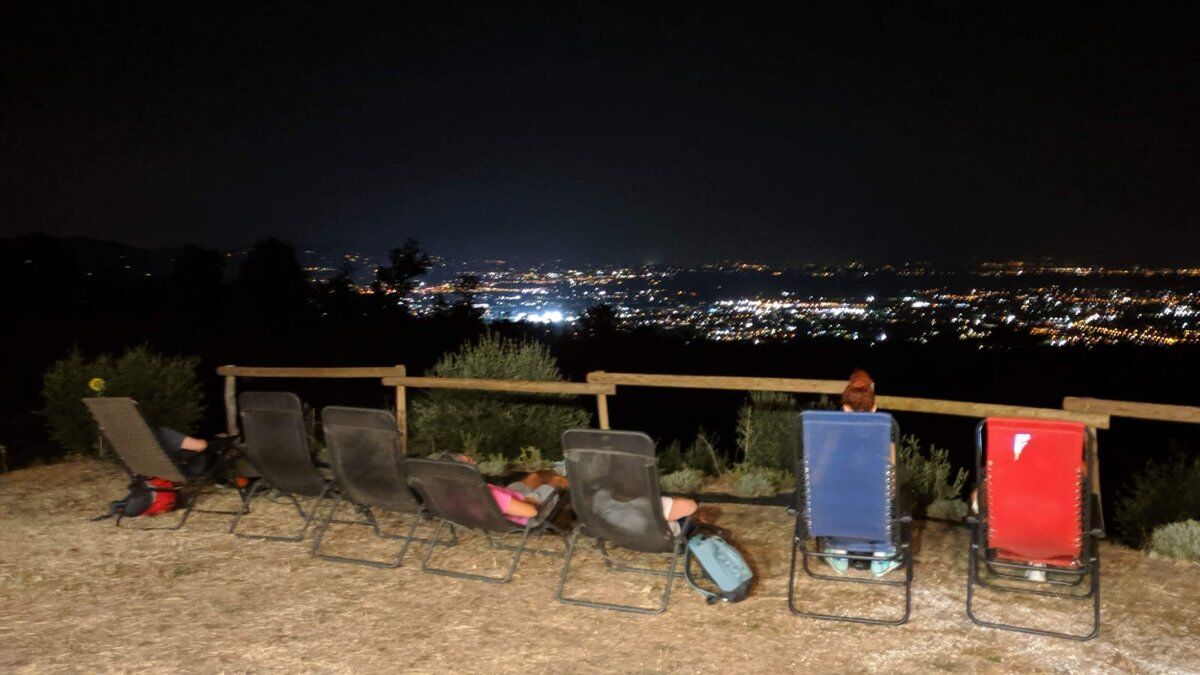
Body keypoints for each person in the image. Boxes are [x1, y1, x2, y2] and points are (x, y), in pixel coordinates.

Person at [447, 453, 698, 529]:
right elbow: (529, 511)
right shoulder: (491, 496)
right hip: (524, 509)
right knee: (553, 484)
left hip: (501, 502)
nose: (471, 458)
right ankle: (564, 481)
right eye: (466, 460)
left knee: (536, 476)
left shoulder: (453, 491)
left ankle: (557, 477)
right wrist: (543, 493)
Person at [823, 369, 902, 577]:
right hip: (873, 516)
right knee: (886, 497)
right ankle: (880, 556)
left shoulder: (831, 432)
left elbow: (818, 476)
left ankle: (838, 551)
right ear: (874, 408)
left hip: (838, 512)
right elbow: (891, 484)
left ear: (845, 407)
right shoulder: (885, 433)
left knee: (836, 492)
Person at [153, 428, 236, 479]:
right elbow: (200, 446)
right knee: (215, 444)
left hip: (153, 477)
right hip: (181, 472)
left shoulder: (142, 443)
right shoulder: (160, 433)